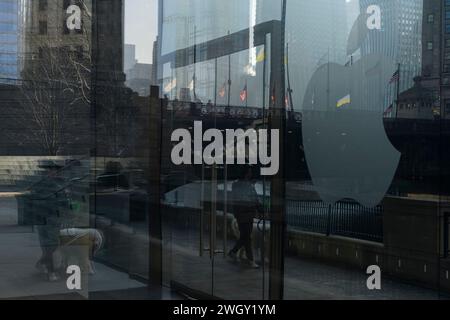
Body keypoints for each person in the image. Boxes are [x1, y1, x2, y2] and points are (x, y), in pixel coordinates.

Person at [32, 160, 68, 282]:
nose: (54, 172)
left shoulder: (49, 184)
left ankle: (43, 263)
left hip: (48, 218)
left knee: (50, 245)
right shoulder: (49, 185)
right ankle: (50, 271)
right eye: (52, 170)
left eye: (54, 170)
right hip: (48, 218)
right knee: (49, 245)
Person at [228, 166, 262, 268]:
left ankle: (233, 252)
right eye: (250, 171)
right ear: (247, 173)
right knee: (247, 237)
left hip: (243, 214)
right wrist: (260, 209)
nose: (251, 173)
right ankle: (250, 260)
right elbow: (254, 199)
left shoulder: (237, 185)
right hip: (245, 214)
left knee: (244, 236)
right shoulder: (247, 185)